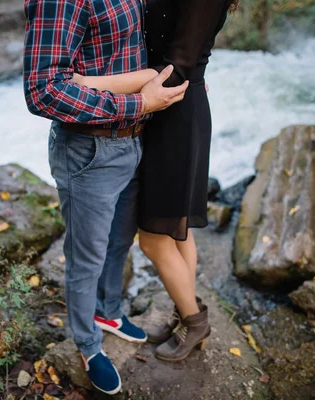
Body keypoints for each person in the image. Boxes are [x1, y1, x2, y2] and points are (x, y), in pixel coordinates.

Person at [23, 0, 188, 395]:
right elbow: (42, 91)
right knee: (87, 257)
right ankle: (87, 345)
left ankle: (109, 312)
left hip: (134, 141)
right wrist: (138, 102)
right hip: (88, 150)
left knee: (118, 243)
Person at [72, 0, 236, 362]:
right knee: (178, 231)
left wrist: (89, 84)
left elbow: (173, 73)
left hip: (175, 115)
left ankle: (194, 322)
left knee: (154, 239)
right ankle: (185, 309)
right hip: (157, 114)